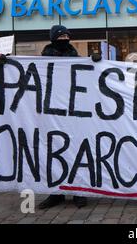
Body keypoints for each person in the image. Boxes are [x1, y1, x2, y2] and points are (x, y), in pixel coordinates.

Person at [38, 25, 87, 209]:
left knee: (75, 151)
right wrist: (6, 63)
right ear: (53, 38)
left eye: (67, 35)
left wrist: (95, 62)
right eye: (61, 36)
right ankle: (55, 193)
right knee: (54, 152)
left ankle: (77, 192)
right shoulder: (44, 57)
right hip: (52, 112)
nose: (64, 38)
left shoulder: (74, 55)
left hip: (73, 112)